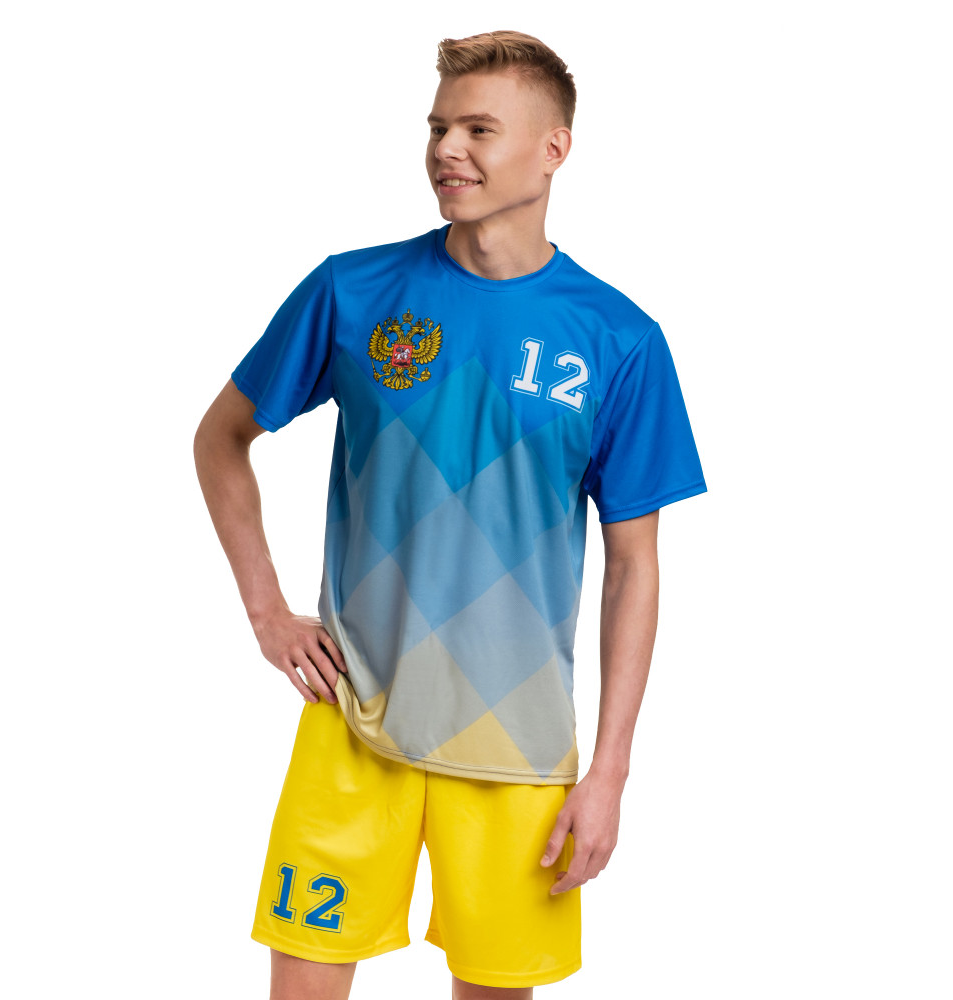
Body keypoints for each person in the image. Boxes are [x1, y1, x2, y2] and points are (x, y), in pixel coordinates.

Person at [194, 29, 706, 1000]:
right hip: (352, 725)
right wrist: (266, 612)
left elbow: (635, 566)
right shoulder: (353, 290)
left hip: (519, 751)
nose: (447, 150)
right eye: (437, 128)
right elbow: (220, 437)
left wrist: (609, 772)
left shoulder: (620, 339)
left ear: (553, 149)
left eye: (478, 128)